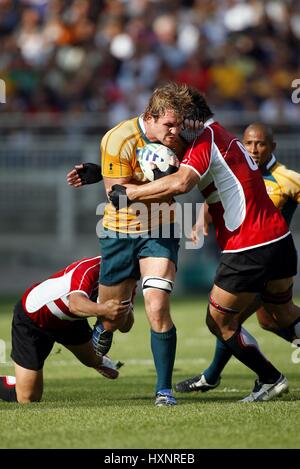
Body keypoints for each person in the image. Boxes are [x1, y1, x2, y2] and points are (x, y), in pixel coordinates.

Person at [109, 89, 300, 402]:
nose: (172, 133)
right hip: (278, 239)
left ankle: (270, 379)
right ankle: (225, 375)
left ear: (191, 120)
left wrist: (128, 193)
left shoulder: (206, 139)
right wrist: (99, 174)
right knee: (280, 313)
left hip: (249, 244)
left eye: (177, 124)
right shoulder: (221, 135)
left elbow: (180, 183)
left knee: (220, 322)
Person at [68, 82, 196, 406]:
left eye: (179, 125)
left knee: (157, 306)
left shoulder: (180, 141)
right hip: (120, 232)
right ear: (150, 116)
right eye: (169, 125)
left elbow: (190, 180)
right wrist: (160, 180)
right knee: (117, 318)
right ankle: (106, 325)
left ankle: (163, 390)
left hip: (161, 229)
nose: (174, 132)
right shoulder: (118, 138)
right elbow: (120, 198)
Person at [175, 122, 300, 393]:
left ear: (272, 147)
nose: (254, 149)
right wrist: (202, 217)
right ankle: (215, 375)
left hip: (263, 253)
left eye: (261, 144)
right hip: (263, 254)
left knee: (225, 319)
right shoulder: (242, 169)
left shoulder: (286, 178)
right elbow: (224, 195)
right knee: (269, 319)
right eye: (250, 143)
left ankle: (218, 376)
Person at [0, 256, 133, 403]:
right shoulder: (91, 268)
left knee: (92, 359)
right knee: (28, 398)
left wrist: (122, 310)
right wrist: (104, 310)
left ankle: (96, 360)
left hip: (71, 320)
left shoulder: (129, 278)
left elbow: (126, 327)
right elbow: (75, 304)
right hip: (35, 320)